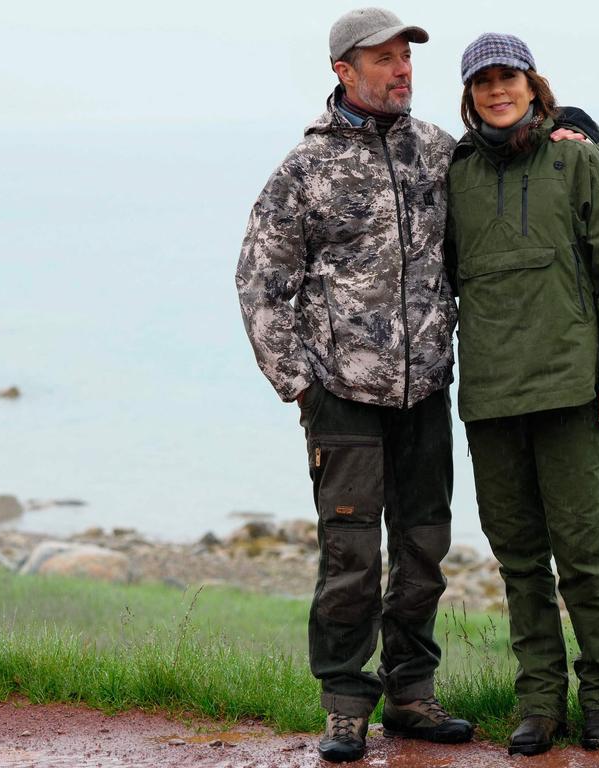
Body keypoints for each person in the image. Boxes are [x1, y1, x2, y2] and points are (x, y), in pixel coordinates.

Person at [235, 8, 472, 763]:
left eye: (407, 58)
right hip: (341, 395)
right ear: (344, 70)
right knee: (350, 559)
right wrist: (298, 384)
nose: (403, 70)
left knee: (424, 549)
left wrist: (572, 128)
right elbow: (261, 282)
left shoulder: (437, 151)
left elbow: (511, 171)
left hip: (426, 390)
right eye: (385, 60)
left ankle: (411, 694)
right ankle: (344, 705)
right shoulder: (303, 170)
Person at [445, 33, 599, 757]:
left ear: (533, 85)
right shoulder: (456, 172)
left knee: (583, 555)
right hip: (492, 398)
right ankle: (538, 702)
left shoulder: (576, 159)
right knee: (520, 561)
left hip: (572, 393)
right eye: (483, 82)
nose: (497, 90)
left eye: (509, 78)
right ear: (469, 95)